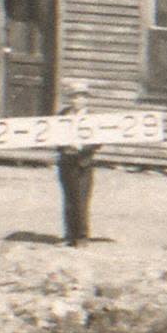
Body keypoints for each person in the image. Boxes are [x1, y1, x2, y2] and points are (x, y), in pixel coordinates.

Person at [56, 81, 100, 247]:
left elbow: (98, 141)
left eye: (81, 97)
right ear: (70, 99)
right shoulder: (63, 115)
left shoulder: (93, 117)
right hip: (66, 162)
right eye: (74, 97)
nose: (78, 100)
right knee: (69, 199)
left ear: (86, 99)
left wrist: (83, 147)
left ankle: (82, 237)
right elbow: (54, 136)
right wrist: (64, 146)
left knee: (81, 200)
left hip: (84, 163)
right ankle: (69, 236)